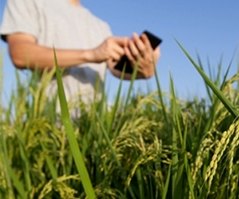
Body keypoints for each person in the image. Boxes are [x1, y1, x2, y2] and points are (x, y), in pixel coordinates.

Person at [0, 0, 160, 116]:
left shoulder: (100, 25)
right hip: (51, 125)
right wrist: (90, 54)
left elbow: (116, 68)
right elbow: (20, 54)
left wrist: (143, 69)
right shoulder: (28, 2)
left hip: (94, 127)